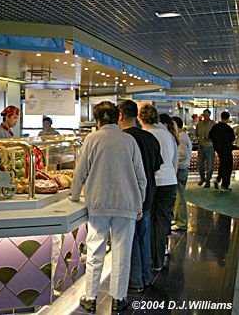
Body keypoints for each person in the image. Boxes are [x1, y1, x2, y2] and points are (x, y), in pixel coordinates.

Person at [70, 101, 146, 313]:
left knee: (95, 250)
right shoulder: (129, 140)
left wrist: (75, 195)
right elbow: (141, 177)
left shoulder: (92, 139)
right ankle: (118, 298)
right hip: (126, 203)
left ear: (97, 120)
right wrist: (139, 203)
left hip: (98, 204)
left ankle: (91, 297)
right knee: (122, 253)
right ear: (117, 117)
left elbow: (81, 171)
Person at [117, 100, 162, 293]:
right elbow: (157, 165)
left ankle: (135, 281)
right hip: (149, 194)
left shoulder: (122, 139)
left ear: (120, 115)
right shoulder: (150, 138)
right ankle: (147, 276)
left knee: (131, 238)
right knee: (144, 236)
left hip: (129, 195)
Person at [138, 104, 178, 272]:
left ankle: (148, 260)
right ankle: (158, 261)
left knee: (148, 221)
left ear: (140, 117)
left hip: (153, 182)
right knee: (162, 222)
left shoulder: (144, 136)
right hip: (169, 181)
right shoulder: (167, 134)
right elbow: (174, 159)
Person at [171, 117, 192, 231]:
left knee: (180, 196)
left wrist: (174, 165)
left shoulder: (181, 137)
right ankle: (178, 219)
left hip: (180, 170)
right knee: (178, 195)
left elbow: (182, 155)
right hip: (181, 169)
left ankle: (181, 222)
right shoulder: (182, 135)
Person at [209, 111, 235, 192]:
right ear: (228, 118)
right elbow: (232, 139)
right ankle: (224, 185)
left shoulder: (215, 127)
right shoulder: (228, 129)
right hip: (227, 149)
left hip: (218, 149)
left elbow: (210, 136)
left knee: (223, 164)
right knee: (228, 166)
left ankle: (218, 179)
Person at [196, 109, 215, 188]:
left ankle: (208, 180)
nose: (205, 116)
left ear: (209, 115)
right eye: (204, 115)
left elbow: (215, 136)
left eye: (206, 115)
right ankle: (202, 178)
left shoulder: (213, 124)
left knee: (210, 165)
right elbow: (196, 134)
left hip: (210, 146)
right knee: (200, 164)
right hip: (201, 146)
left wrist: (209, 139)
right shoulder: (199, 124)